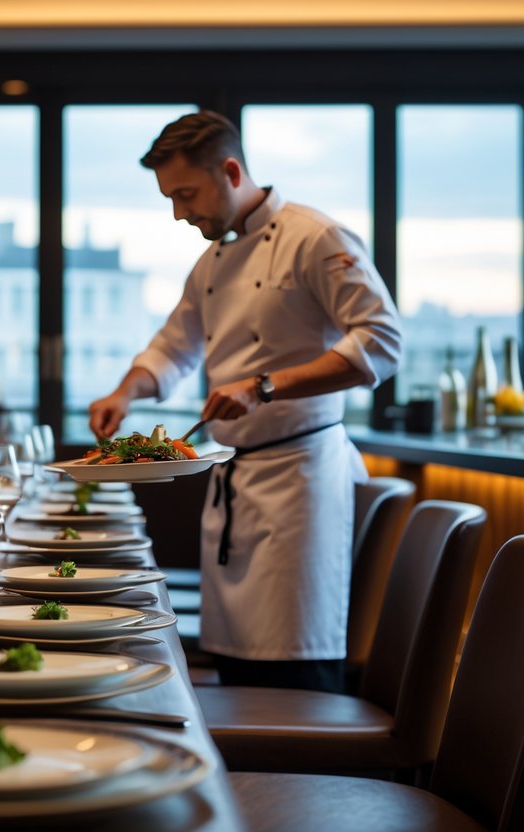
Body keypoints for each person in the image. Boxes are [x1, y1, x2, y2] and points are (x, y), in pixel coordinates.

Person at [88, 110, 402, 693]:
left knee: (296, 670)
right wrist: (123, 393)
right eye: (170, 199)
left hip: (300, 487)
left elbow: (382, 344)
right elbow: (172, 347)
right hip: (235, 484)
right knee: (237, 669)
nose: (180, 213)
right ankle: (244, 780)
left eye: (186, 194)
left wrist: (263, 386)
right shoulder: (210, 263)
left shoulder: (317, 238)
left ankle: (311, 780)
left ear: (231, 170)